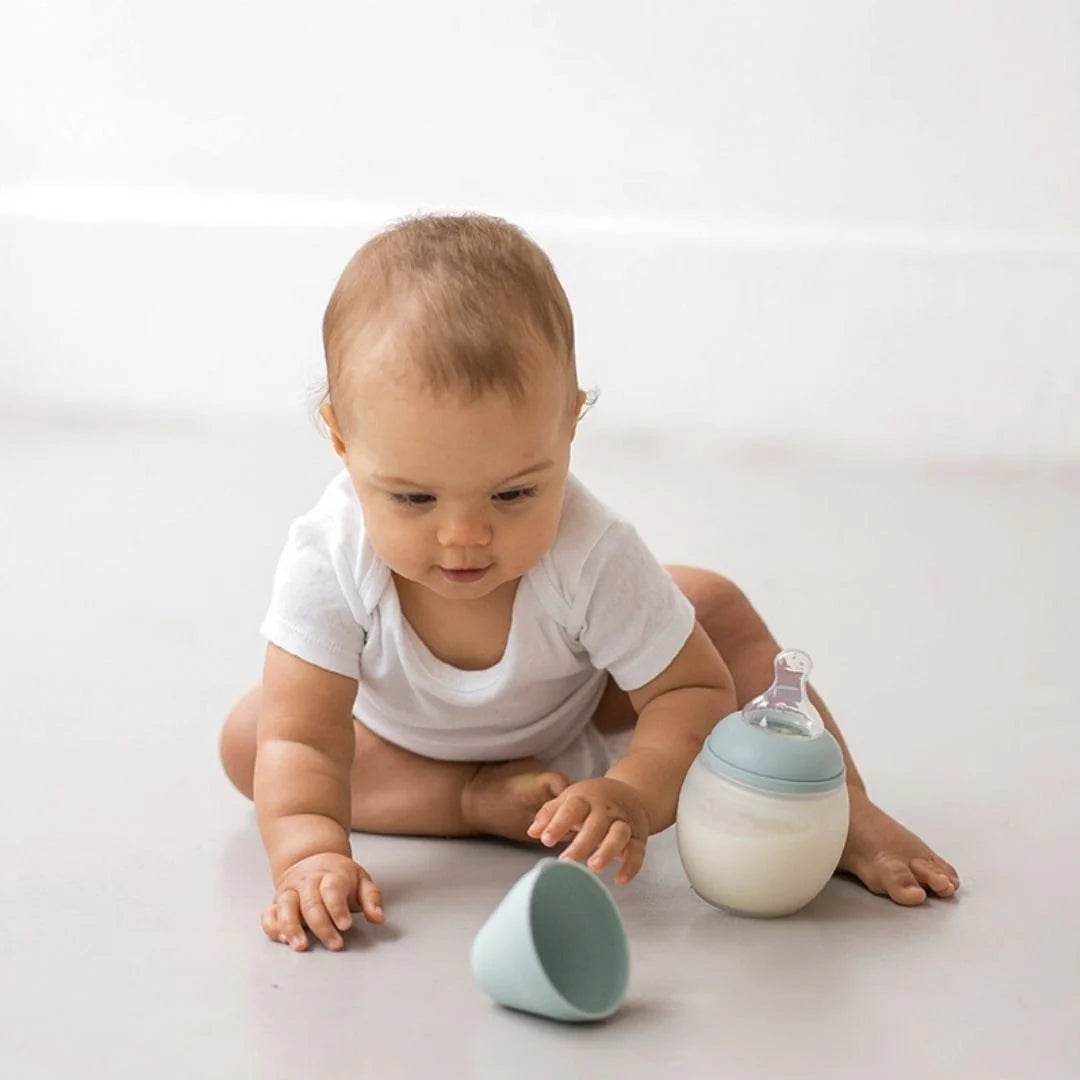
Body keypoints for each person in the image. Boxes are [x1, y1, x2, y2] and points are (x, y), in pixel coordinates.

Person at [219, 213, 960, 952]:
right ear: (341, 438)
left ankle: (841, 806)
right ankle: (470, 801)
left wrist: (633, 791)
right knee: (255, 739)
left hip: (573, 714)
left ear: (569, 424)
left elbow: (690, 692)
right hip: (396, 747)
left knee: (711, 605)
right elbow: (304, 738)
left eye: (513, 494)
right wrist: (309, 853)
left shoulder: (590, 553)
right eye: (414, 498)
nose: (464, 536)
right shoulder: (330, 555)